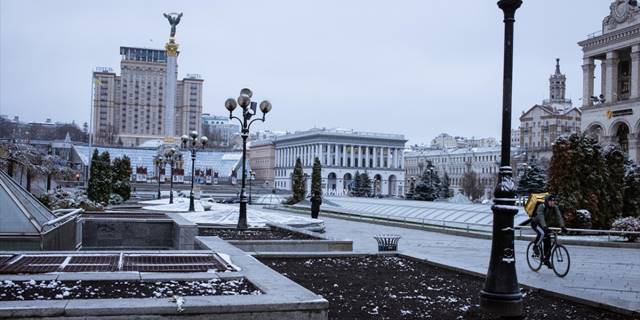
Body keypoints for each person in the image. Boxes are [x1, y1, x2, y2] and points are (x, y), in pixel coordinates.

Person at [531, 194, 568, 268]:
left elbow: (559, 217)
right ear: (547, 201)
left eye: (553, 201)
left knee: (547, 242)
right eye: (550, 201)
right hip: (536, 223)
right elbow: (541, 216)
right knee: (541, 233)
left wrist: (562, 226)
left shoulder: (555, 207)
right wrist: (544, 226)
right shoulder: (542, 206)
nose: (552, 202)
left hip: (545, 225)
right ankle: (535, 246)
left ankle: (546, 260)